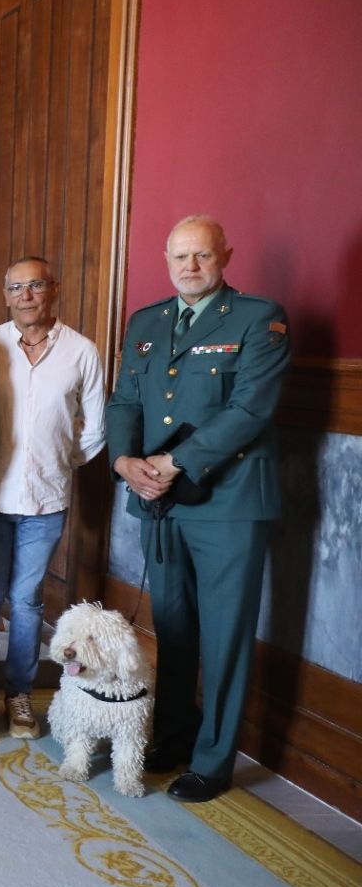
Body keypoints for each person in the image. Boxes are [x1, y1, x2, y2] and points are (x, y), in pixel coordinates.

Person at [107, 215, 289, 802]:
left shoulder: (259, 318)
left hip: (228, 505)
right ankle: (176, 733)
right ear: (165, 258)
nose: (190, 267)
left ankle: (213, 759)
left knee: (225, 635)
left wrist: (171, 464)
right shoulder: (147, 321)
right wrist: (124, 463)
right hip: (159, 502)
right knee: (176, 628)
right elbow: (125, 401)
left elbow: (250, 409)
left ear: (225, 256)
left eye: (202, 257)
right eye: (181, 256)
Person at [0, 257, 106, 739]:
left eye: (36, 285)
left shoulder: (82, 351)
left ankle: (19, 693)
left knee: (27, 602)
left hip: (46, 501)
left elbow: (96, 430)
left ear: (54, 290)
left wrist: (59, 462)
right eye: (16, 287)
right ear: (6, 295)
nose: (26, 295)